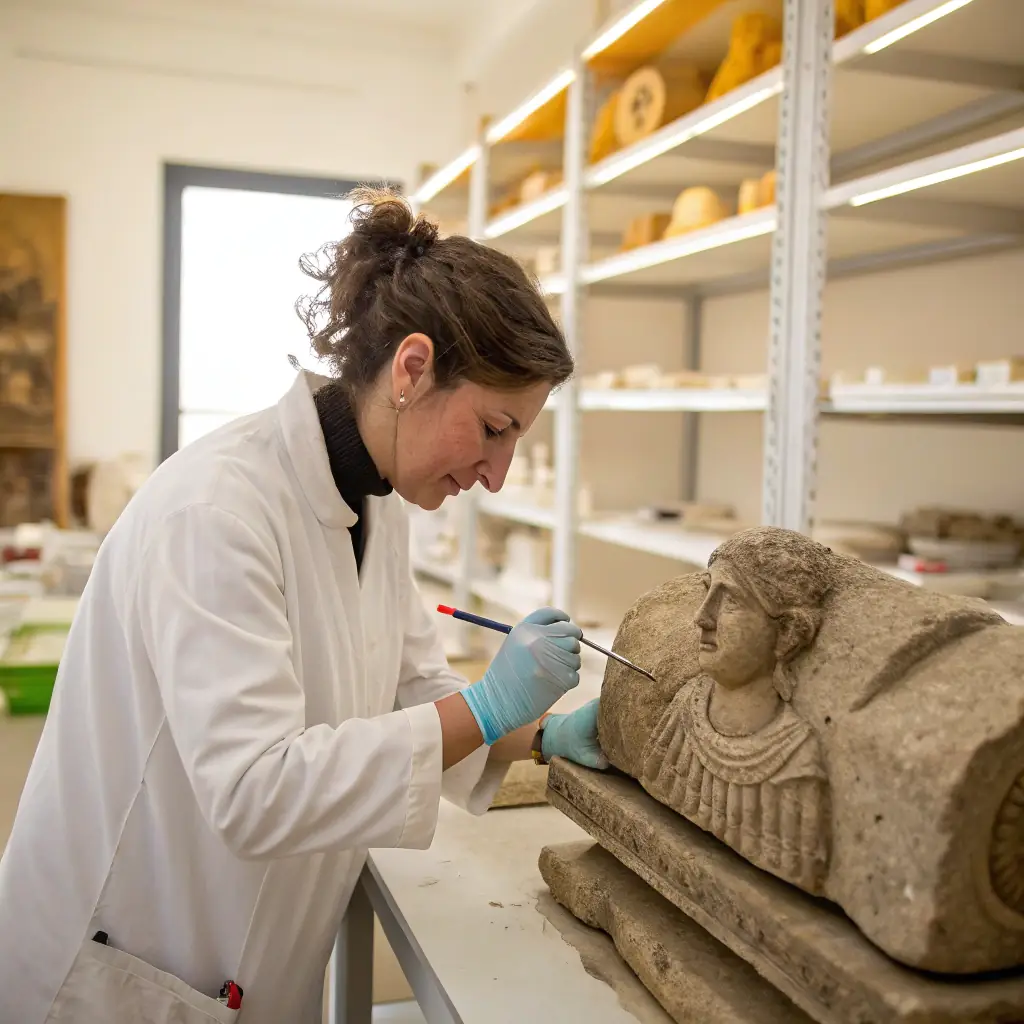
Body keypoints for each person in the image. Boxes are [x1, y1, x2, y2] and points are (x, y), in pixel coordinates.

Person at [0, 188, 608, 1024]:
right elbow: (256, 786)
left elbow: (408, 686)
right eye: (494, 428)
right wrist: (490, 700)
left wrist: (538, 736)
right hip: (115, 970)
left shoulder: (378, 499)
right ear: (411, 368)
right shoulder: (216, 511)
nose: (497, 474)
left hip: (246, 964)